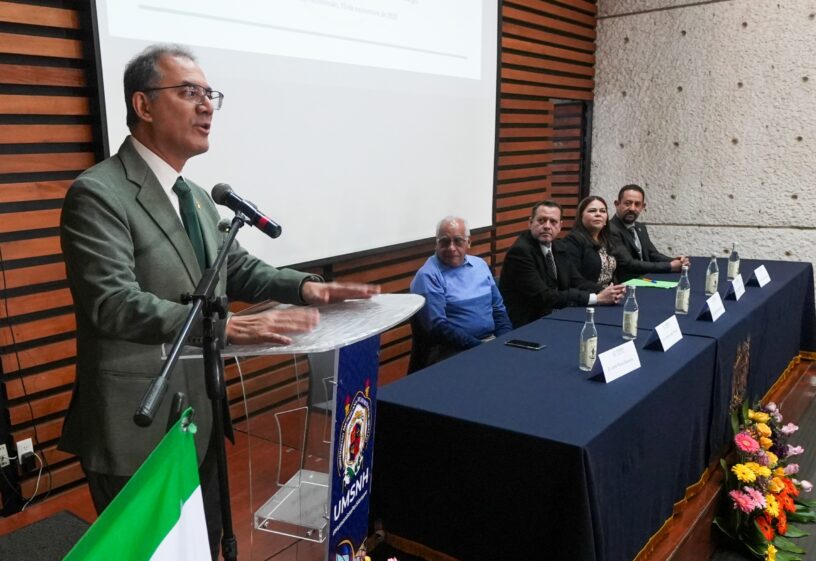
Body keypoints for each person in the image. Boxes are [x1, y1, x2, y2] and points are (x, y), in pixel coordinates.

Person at [58, 44, 378, 558]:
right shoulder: (98, 193)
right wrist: (223, 328)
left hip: (197, 415)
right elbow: (112, 303)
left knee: (203, 546)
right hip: (135, 425)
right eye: (190, 92)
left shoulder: (197, 197)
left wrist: (303, 287)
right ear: (143, 105)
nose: (207, 105)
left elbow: (235, 268)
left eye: (210, 94)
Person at [499, 201, 625, 328]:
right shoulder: (520, 252)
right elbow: (544, 297)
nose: (547, 226)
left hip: (556, 316)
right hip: (529, 324)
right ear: (530, 223)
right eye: (541, 220)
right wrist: (596, 298)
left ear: (560, 226)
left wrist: (605, 291)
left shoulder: (558, 246)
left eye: (553, 222)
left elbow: (577, 281)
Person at [409, 216, 512, 369]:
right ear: (436, 244)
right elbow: (438, 328)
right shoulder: (428, 275)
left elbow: (498, 310)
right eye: (444, 241)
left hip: (489, 342)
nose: (451, 248)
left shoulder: (480, 265)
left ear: (468, 242)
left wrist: (506, 341)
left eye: (458, 241)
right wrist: (482, 349)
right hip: (452, 351)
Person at [608, 184, 689, 282]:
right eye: (627, 203)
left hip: (645, 280)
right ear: (617, 204)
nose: (632, 208)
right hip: (624, 285)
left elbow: (652, 254)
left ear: (643, 206)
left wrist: (676, 261)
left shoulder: (640, 227)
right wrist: (670, 266)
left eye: (637, 204)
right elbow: (629, 264)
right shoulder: (610, 229)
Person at [561, 195, 621, 286]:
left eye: (603, 211)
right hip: (588, 293)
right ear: (581, 216)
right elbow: (573, 279)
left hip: (610, 291)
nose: (598, 214)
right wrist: (601, 291)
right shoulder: (572, 241)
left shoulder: (607, 240)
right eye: (592, 211)